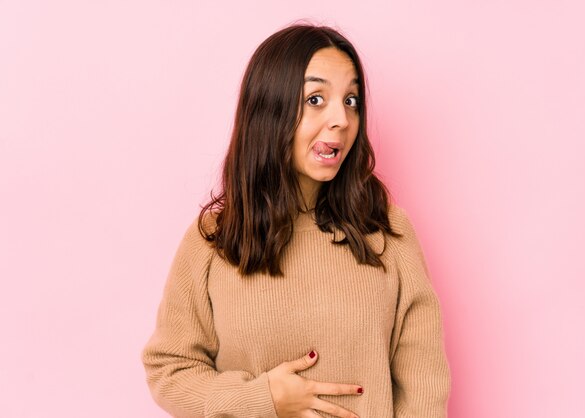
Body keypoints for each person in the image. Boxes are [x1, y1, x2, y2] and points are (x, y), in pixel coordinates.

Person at [142, 23, 451, 418]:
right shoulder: (214, 240)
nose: (341, 119)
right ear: (270, 110)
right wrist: (261, 398)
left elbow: (424, 387)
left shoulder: (387, 232)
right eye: (316, 98)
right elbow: (169, 369)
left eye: (351, 100)